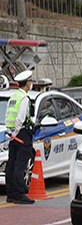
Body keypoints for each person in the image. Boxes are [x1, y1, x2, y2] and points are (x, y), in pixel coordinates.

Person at [4, 70, 35, 204]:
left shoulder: (13, 97)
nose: (31, 83)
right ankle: (19, 193)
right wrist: (17, 132)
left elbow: (7, 116)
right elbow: (20, 118)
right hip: (21, 134)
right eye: (31, 81)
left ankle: (10, 193)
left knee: (11, 164)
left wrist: (11, 133)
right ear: (27, 83)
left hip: (12, 134)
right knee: (20, 165)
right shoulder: (24, 98)